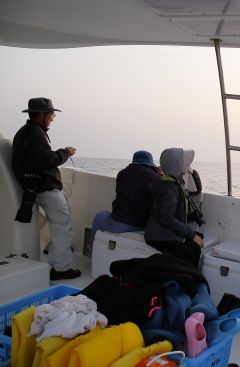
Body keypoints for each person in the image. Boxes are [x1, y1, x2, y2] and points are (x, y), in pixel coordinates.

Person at [12, 97, 81, 280]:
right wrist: (66, 151)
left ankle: (55, 258)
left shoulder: (26, 132)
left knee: (59, 225)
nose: (52, 118)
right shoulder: (34, 132)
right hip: (44, 188)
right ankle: (60, 268)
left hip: (36, 186)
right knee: (62, 226)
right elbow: (48, 159)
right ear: (41, 114)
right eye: (51, 115)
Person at [144, 148, 204, 268]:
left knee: (195, 249)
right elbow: (167, 218)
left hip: (166, 232)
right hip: (158, 236)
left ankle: (193, 280)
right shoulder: (170, 188)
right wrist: (191, 235)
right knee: (187, 254)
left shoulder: (172, 182)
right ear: (177, 166)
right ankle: (185, 281)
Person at [91, 150, 162, 239]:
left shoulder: (122, 173)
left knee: (99, 216)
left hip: (121, 223)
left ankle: (94, 246)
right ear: (151, 163)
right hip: (144, 225)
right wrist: (160, 174)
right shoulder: (158, 178)